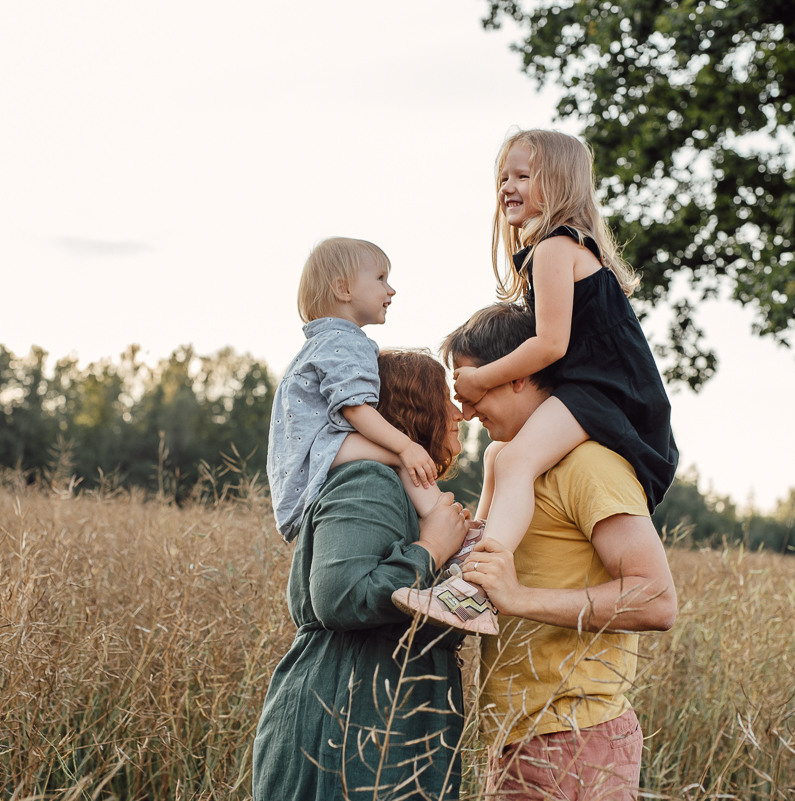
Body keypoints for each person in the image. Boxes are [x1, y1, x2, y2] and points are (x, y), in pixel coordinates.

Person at [394, 128, 678, 635]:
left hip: (610, 391)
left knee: (518, 458)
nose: (508, 185)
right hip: (594, 387)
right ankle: (474, 560)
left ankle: (475, 591)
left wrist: (479, 377)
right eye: (503, 176)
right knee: (500, 456)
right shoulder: (549, 252)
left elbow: (550, 346)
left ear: (562, 185)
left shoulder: (554, 246)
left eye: (524, 175)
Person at [444, 302, 678, 800]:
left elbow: (657, 600)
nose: (467, 411)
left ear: (518, 376)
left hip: (573, 739)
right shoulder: (508, 465)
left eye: (474, 386)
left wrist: (521, 597)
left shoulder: (588, 464)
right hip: (518, 739)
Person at [252, 349, 473, 801]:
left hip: (379, 720)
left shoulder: (405, 492)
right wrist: (430, 549)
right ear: (416, 409)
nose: (458, 413)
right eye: (443, 399)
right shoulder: (369, 479)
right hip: (345, 724)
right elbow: (340, 594)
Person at [267, 236, 443, 543]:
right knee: (406, 457)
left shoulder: (318, 344)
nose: (391, 289)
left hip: (302, 462)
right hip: (322, 450)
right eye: (380, 278)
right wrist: (406, 446)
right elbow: (355, 409)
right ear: (343, 289)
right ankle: (443, 521)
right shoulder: (344, 341)